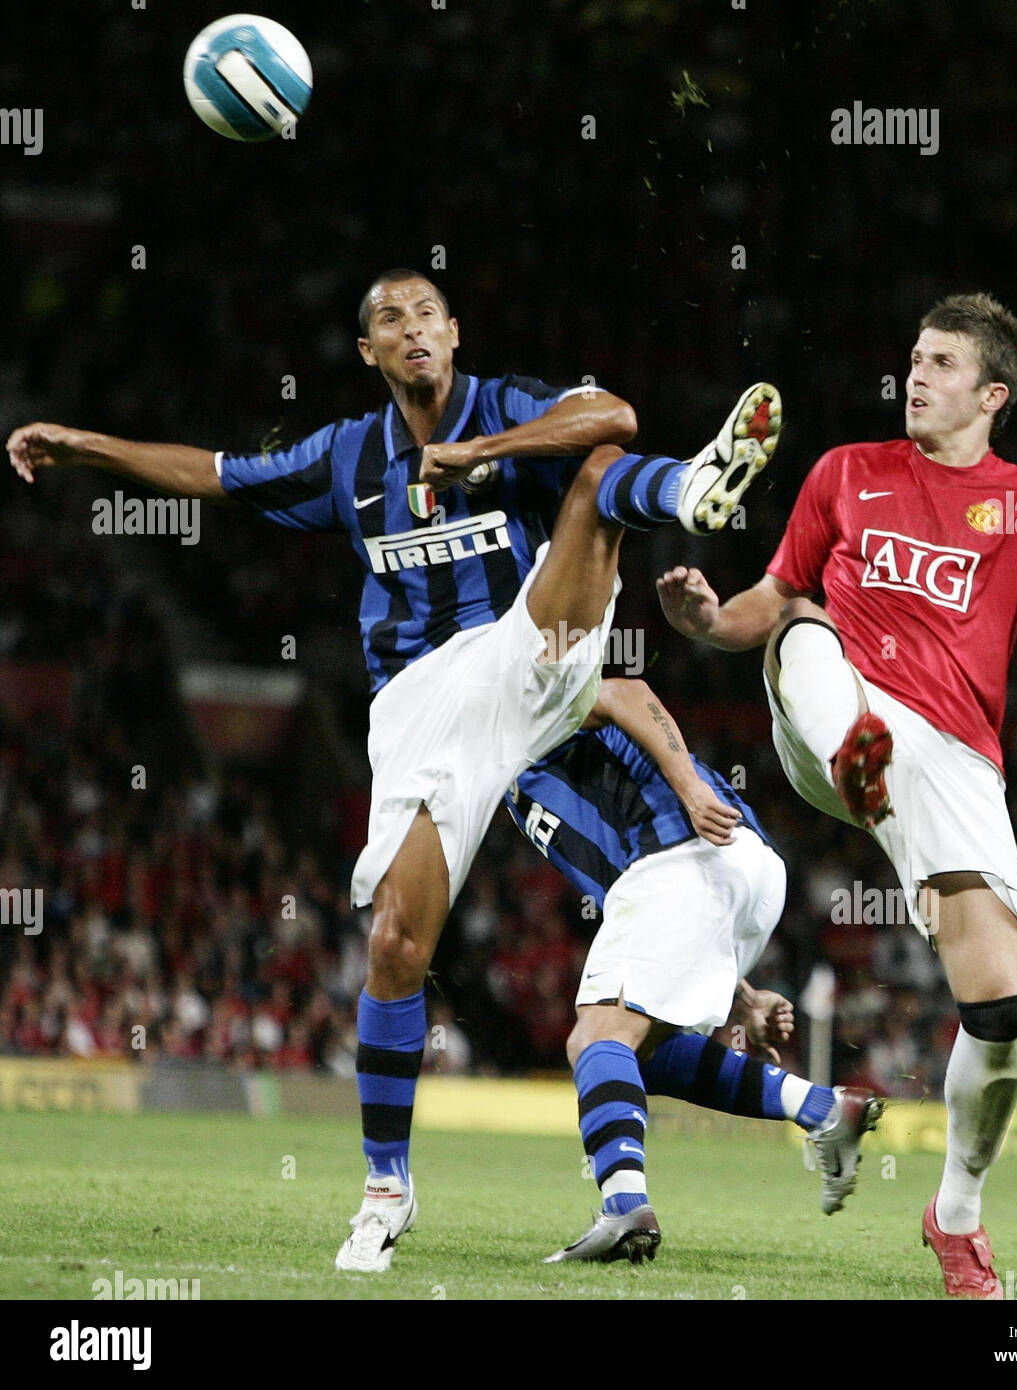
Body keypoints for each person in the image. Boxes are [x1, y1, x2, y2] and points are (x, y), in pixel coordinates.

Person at [7, 269, 782, 1273]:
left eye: (426, 314)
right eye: (388, 320)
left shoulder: (501, 408)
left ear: (455, 333)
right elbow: (215, 473)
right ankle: (386, 1186)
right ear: (369, 352)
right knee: (394, 945)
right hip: (423, 706)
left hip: (526, 648)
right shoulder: (345, 455)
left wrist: (480, 454)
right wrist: (84, 446)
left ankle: (695, 490)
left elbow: (615, 413)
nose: (411, 329)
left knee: (598, 474)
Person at [655, 292, 1017, 1298]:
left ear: (992, 392)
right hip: (833, 706)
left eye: (938, 364)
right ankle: (859, 747)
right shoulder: (845, 472)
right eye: (912, 358)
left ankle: (957, 1216)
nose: (915, 377)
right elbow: (769, 600)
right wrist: (708, 618)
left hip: (952, 761)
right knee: (801, 624)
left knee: (1003, 1020)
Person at [505, 677, 883, 1263]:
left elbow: (624, 692)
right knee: (638, 1054)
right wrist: (745, 997)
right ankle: (824, 1110)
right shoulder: (499, 770)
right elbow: (664, 925)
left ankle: (624, 1207)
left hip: (690, 844)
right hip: (729, 873)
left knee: (598, 1038)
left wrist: (688, 788)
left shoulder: (513, 695)